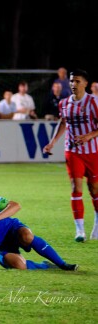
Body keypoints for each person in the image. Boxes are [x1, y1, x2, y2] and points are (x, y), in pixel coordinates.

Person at [0, 184, 77, 271]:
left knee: (27, 236)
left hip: (12, 230)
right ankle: (45, 266)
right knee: (20, 266)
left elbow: (16, 205)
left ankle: (62, 265)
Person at [43, 69, 98, 242]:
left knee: (94, 189)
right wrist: (52, 142)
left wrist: (89, 136)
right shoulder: (64, 103)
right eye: (72, 81)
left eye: (77, 81)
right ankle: (79, 230)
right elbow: (63, 122)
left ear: (85, 83)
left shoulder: (94, 102)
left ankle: (97, 223)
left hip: (92, 152)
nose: (73, 84)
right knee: (76, 187)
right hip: (72, 151)